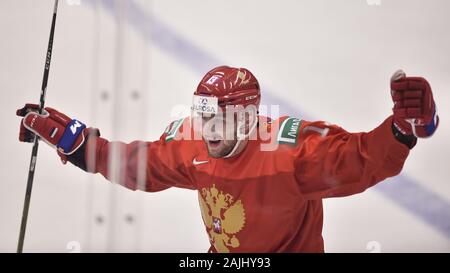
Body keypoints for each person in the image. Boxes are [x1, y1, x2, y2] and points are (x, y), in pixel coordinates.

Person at [16, 66, 439, 252]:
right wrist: (78, 146)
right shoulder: (194, 146)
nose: (210, 132)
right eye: (204, 120)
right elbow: (135, 165)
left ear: (250, 117)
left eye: (221, 121)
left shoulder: (292, 153)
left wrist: (401, 129)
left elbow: (360, 158)